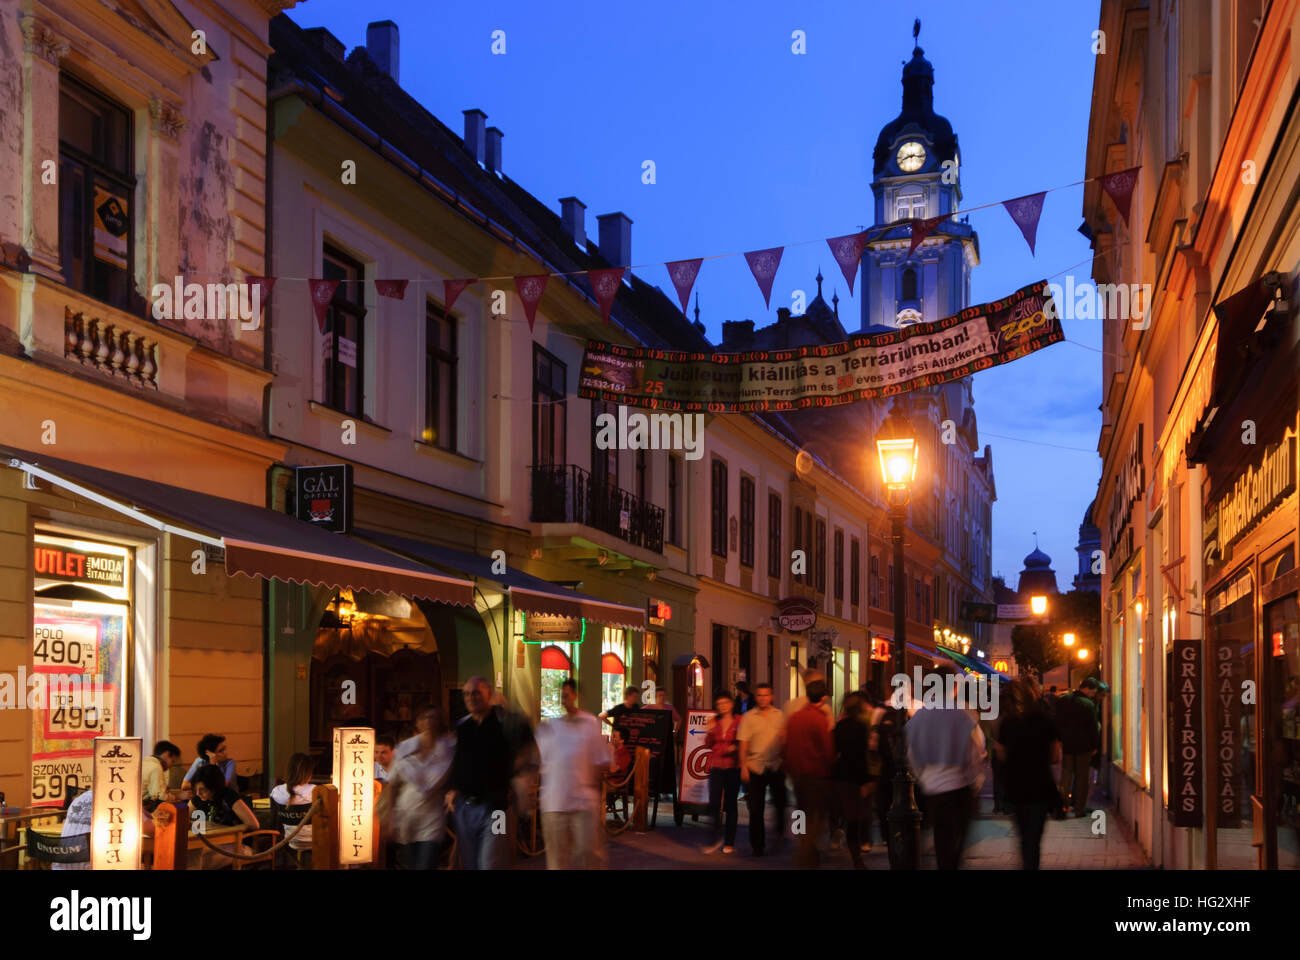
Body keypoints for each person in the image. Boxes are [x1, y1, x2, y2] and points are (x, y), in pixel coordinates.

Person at [904, 665, 986, 869]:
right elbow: (975, 752)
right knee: (956, 843)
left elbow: (910, 754)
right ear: (954, 686)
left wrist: (924, 778)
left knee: (943, 842)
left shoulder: (919, 717)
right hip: (958, 787)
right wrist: (974, 782)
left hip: (932, 789)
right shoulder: (962, 715)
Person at [446, 677, 522, 869]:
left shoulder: (506, 726)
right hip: (467, 806)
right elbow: (457, 761)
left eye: (476, 693)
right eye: (467, 694)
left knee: (492, 861)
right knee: (471, 861)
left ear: (489, 695)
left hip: (498, 809)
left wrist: (515, 781)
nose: (471, 698)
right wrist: (453, 789)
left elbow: (528, 754)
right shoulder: (463, 727)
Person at [535, 678, 610, 869]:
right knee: (557, 859)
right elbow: (537, 760)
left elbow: (601, 762)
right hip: (554, 804)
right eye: (561, 695)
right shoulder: (551, 726)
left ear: (576, 695)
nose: (564, 699)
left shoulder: (589, 723)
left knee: (587, 855)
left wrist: (591, 790)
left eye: (567, 695)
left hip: (582, 803)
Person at [995, 676, 1060, 869]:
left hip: (1016, 786)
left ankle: (1027, 863)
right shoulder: (1045, 720)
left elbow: (1001, 756)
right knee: (1034, 838)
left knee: (1023, 837)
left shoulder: (1007, 723)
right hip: (1040, 786)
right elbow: (1055, 757)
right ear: (1035, 694)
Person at [387, 708, 455, 869]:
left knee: (426, 864)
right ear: (417, 722)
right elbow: (392, 784)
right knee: (411, 864)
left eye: (433, 718)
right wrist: (390, 816)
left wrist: (453, 792)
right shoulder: (405, 748)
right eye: (424, 717)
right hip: (407, 814)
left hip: (432, 817)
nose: (429, 722)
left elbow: (456, 777)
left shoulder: (448, 749)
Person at [785, 678, 835, 868]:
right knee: (815, 818)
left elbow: (786, 744)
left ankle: (803, 844)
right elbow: (828, 751)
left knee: (801, 811)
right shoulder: (819, 719)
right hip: (817, 776)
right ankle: (804, 855)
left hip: (797, 776)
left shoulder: (794, 718)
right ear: (822, 698)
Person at [737, 681, 786, 857]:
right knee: (756, 809)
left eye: (766, 695)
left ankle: (780, 833)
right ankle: (757, 845)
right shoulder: (749, 717)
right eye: (760, 695)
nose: (763, 698)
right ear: (756, 697)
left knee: (781, 803)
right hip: (755, 766)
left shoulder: (779, 715)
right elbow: (743, 744)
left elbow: (784, 738)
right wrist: (743, 766)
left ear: (771, 697)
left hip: (775, 765)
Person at [832, 693, 874, 869]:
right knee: (857, 818)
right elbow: (864, 754)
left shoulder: (840, 726)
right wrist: (867, 780)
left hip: (843, 775)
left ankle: (851, 849)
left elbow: (835, 749)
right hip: (858, 776)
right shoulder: (862, 727)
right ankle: (857, 857)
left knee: (850, 817)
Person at [191, 762, 258, 869]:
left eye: (202, 790)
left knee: (200, 862)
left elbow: (254, 824)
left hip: (237, 846)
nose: (198, 794)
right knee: (189, 855)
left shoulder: (229, 796)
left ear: (214, 788)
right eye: (196, 790)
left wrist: (223, 829)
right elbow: (182, 817)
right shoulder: (198, 799)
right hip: (212, 844)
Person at [702, 691, 741, 854]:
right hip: (716, 765)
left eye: (725, 703)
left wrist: (736, 747)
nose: (722, 706)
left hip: (733, 766)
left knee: (731, 804)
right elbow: (708, 744)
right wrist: (709, 732)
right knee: (714, 803)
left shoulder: (740, 720)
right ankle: (713, 839)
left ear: (731, 704)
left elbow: (745, 741)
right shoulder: (714, 721)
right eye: (719, 704)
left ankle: (729, 841)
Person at [1055, 677, 1102, 816]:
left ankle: (1062, 806)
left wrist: (1059, 739)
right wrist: (1095, 745)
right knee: (1082, 778)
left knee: (1066, 777)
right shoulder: (1088, 704)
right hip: (1084, 746)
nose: (1093, 694)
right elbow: (1093, 727)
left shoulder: (1063, 700)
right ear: (1087, 688)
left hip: (1067, 744)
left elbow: (1057, 721)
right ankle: (1079, 809)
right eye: (1093, 692)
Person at [269, 752, 317, 864]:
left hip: (291, 841)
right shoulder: (315, 791)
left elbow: (274, 824)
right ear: (308, 773)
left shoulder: (277, 792)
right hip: (317, 841)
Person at [142, 740, 181, 806]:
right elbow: (160, 797)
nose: (171, 766)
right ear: (167, 754)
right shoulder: (156, 767)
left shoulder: (144, 763)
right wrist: (178, 796)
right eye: (173, 761)